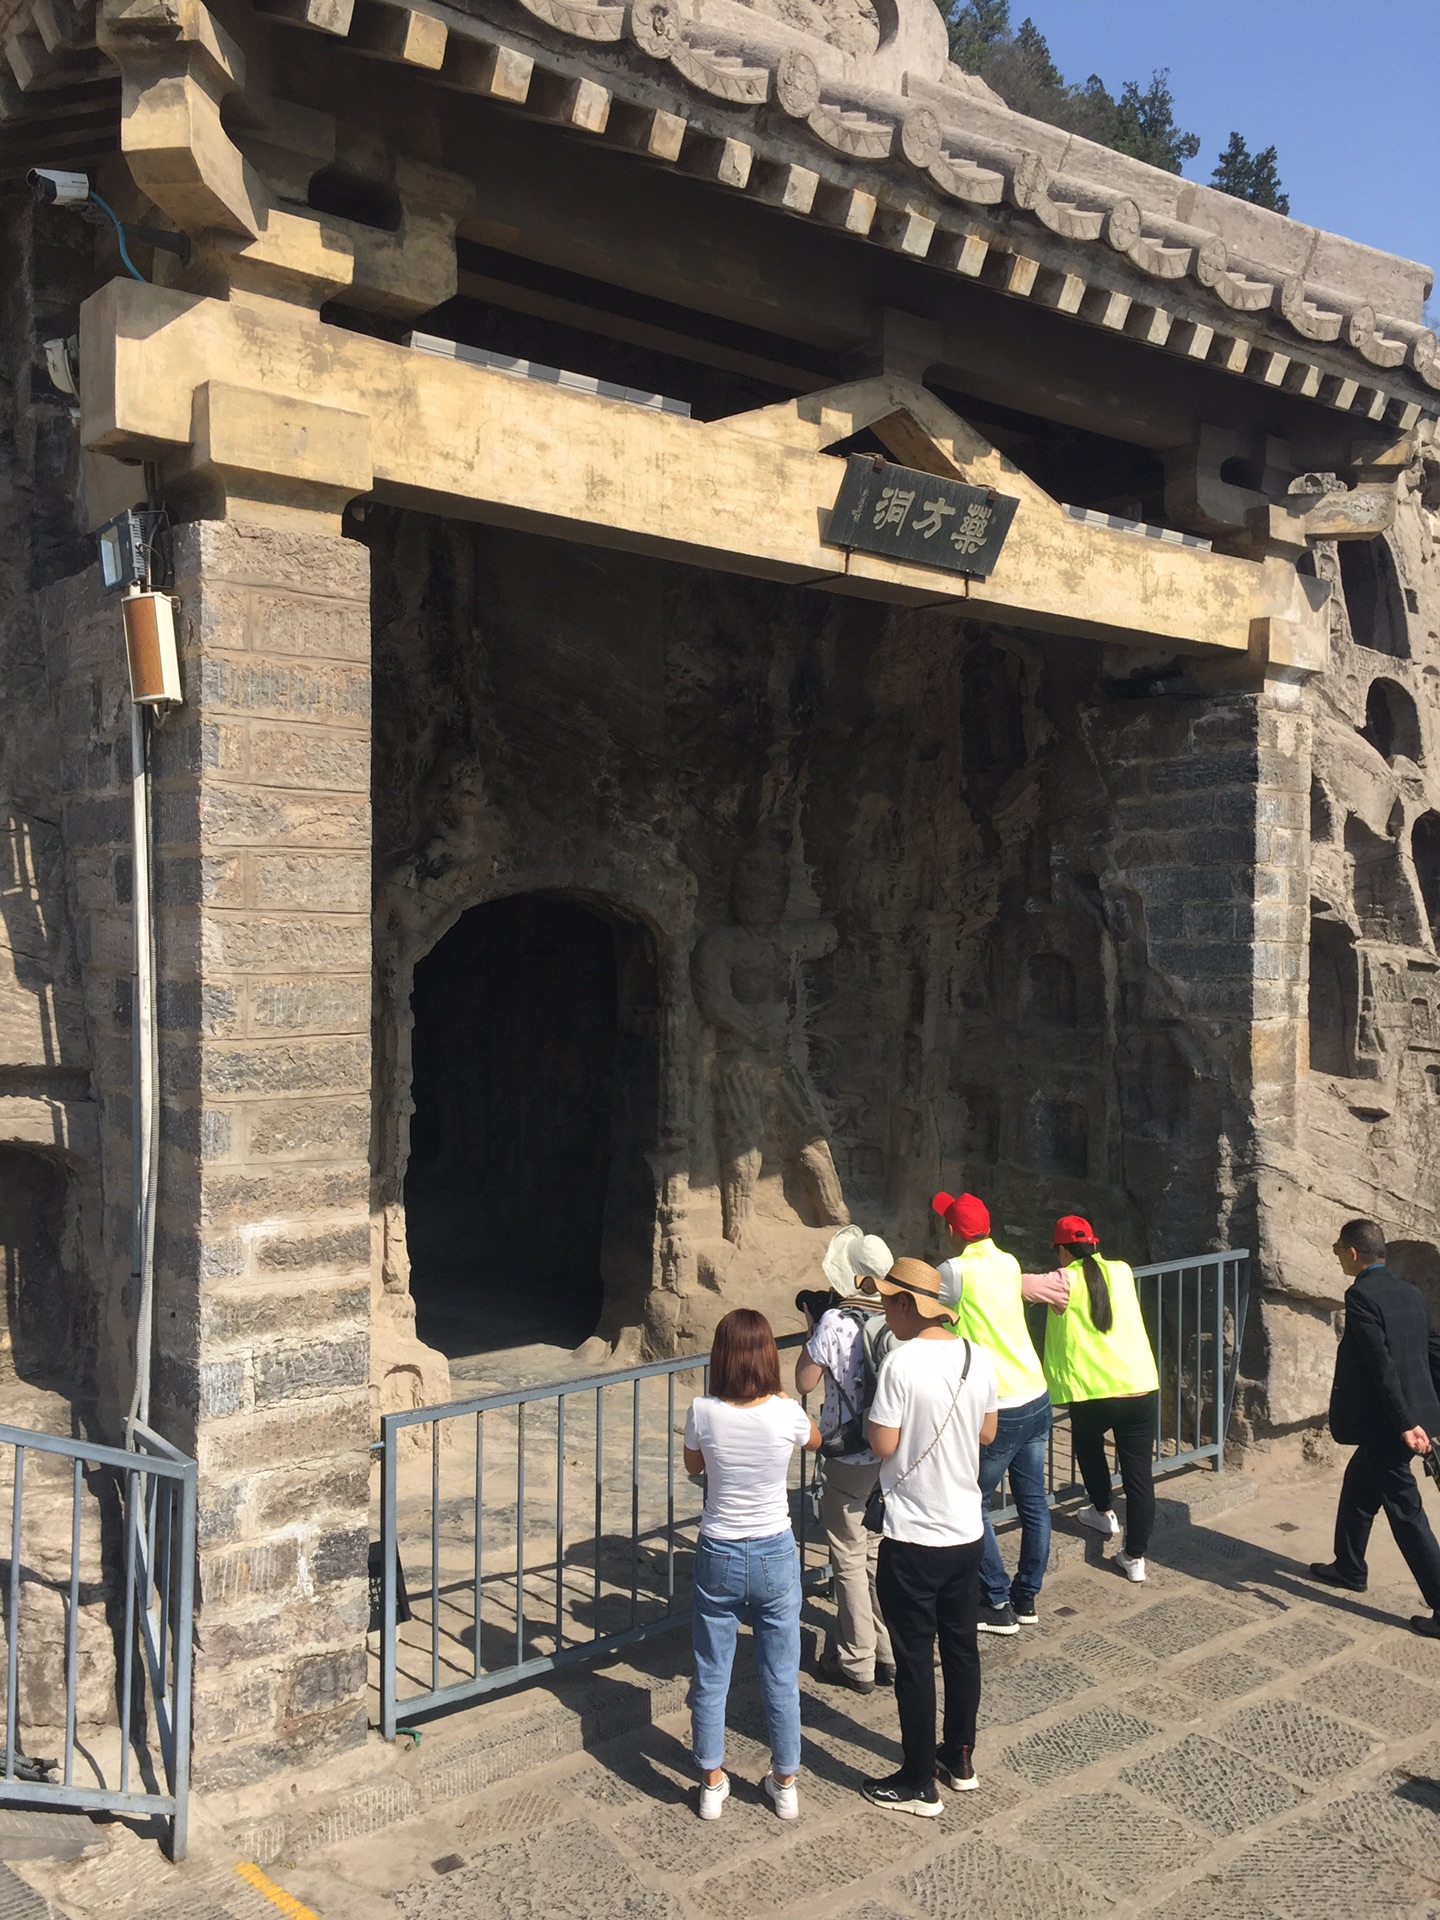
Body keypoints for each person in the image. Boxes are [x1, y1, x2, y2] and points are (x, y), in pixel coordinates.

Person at [859, 1258, 998, 1816]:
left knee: (916, 1660)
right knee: (961, 1647)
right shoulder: (975, 1355)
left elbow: (884, 1444)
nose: (885, 1310)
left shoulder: (900, 1362)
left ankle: (918, 1778)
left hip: (914, 1534)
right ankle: (958, 1756)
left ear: (908, 1306)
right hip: (967, 1530)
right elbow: (987, 1431)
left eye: (889, 1301)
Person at [684, 1308, 821, 1821]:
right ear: (768, 1356)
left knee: (711, 1671)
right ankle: (784, 1781)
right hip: (774, 1549)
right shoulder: (786, 1413)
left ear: (721, 1355)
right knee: (781, 1673)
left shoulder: (703, 1409)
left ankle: (712, 1780)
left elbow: (693, 1465)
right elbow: (817, 1440)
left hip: (719, 1547)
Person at [934, 1190, 1065, 1634]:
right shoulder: (1008, 1261)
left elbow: (929, 1311)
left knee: (973, 1501)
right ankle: (1026, 1596)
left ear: (952, 1231)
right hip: (1035, 1391)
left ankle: (995, 1600)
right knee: (1033, 1503)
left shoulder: (954, 1270)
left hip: (998, 1404)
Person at [1309, 1218, 1440, 1635]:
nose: (1337, 1255)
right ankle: (1349, 1566)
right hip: (1406, 1417)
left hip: (1390, 1423)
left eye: (1337, 1249)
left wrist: (1405, 1424)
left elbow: (1381, 1366)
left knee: (1406, 1512)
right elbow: (1433, 1351)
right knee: (1359, 1485)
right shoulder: (1410, 1293)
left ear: (1352, 1253)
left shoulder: (1361, 1295)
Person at [795, 1226, 896, 1693]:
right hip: (887, 1449)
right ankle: (887, 1648)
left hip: (848, 1455)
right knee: (873, 1551)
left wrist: (813, 1329)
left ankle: (856, 1661)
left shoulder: (837, 1323)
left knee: (849, 1558)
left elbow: (804, 1381)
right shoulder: (899, 1318)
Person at [1035, 1216, 1159, 1583]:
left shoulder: (1062, 1281)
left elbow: (1016, 1283)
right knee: (1139, 1475)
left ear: (1061, 1249)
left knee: (1088, 1447)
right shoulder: (1122, 1270)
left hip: (1093, 1391)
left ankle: (1103, 1511)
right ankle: (1135, 1557)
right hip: (1139, 1385)